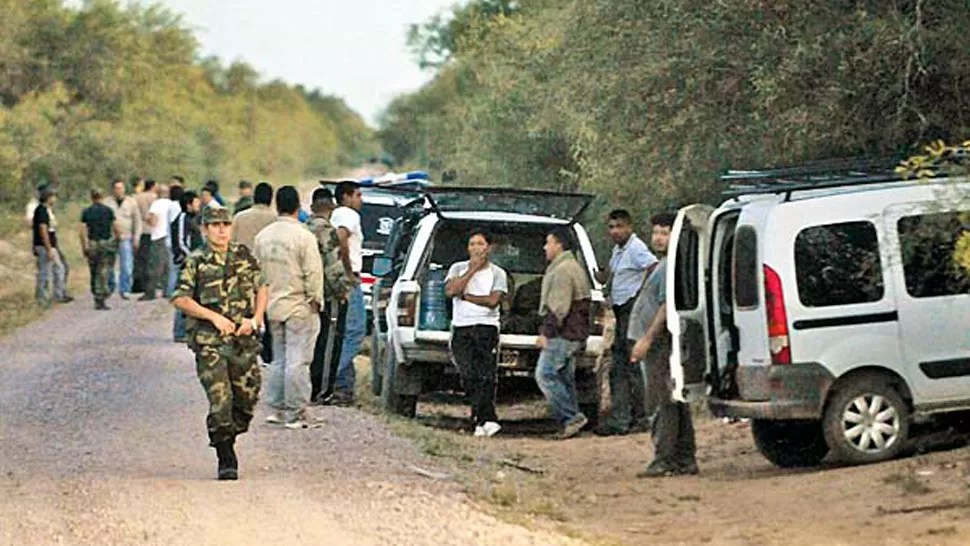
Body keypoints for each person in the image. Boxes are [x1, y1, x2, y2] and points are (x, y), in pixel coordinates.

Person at [171, 207, 268, 480]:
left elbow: (263, 286)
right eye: (215, 225)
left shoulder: (243, 255)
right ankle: (225, 454)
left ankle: (227, 433)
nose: (221, 229)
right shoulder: (197, 261)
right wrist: (213, 317)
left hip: (243, 341)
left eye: (226, 224)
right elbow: (181, 298)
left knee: (247, 401)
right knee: (220, 399)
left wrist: (256, 318)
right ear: (205, 229)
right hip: (210, 342)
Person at [629, 212, 698, 478]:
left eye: (664, 232)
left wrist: (646, 339)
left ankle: (664, 458)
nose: (657, 238)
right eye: (655, 232)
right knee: (675, 400)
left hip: (660, 344)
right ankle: (684, 457)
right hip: (662, 343)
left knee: (660, 401)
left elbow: (666, 307)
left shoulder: (670, 266)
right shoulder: (667, 263)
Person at [253, 186, 323, 429]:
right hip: (298, 305)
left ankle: (277, 409)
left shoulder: (263, 236)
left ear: (276, 205)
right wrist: (316, 299)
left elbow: (256, 273)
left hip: (272, 305)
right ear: (298, 207)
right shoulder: (304, 236)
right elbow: (313, 272)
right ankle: (296, 412)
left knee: (278, 359)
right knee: (298, 360)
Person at [597, 209, 658, 436]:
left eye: (619, 226)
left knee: (627, 365)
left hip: (631, 310)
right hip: (621, 309)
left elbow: (653, 267)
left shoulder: (636, 248)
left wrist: (641, 295)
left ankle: (633, 418)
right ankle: (631, 417)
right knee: (622, 365)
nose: (615, 231)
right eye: (611, 227)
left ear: (629, 227)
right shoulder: (619, 250)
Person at [445, 231, 509, 437]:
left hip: (486, 326)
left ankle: (483, 419)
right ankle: (485, 418)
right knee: (467, 372)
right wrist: (471, 270)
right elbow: (450, 291)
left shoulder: (498, 273)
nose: (475, 248)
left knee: (485, 375)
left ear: (488, 248)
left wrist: (468, 297)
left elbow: (493, 301)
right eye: (471, 243)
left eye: (480, 244)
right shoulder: (458, 268)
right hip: (462, 326)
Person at [535, 227, 592, 439]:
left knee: (545, 374)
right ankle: (573, 422)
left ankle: (571, 417)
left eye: (548, 242)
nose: (545, 247)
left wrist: (546, 333)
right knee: (565, 377)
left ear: (559, 244)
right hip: (575, 333)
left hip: (563, 333)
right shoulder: (572, 266)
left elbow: (558, 308)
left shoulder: (562, 270)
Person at [306, 187, 354, 405]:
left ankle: (306, 388)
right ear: (331, 208)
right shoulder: (328, 232)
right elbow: (333, 267)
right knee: (328, 343)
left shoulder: (303, 229)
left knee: (310, 343)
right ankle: (322, 391)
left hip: (305, 295)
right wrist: (342, 291)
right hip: (327, 295)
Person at [326, 181, 365, 406]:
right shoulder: (347, 214)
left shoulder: (337, 214)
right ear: (346, 197)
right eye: (358, 195)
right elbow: (341, 238)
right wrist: (348, 272)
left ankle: (343, 388)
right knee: (355, 331)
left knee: (343, 332)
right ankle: (330, 376)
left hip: (340, 278)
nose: (361, 200)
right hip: (349, 279)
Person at [79, 188, 119, 310]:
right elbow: (115, 228)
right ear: (102, 197)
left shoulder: (86, 212)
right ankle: (102, 295)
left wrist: (84, 246)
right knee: (104, 270)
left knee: (93, 269)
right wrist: (117, 242)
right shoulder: (108, 211)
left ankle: (96, 293)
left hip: (93, 243)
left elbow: (82, 231)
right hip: (105, 243)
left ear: (91, 197)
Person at [172, 190, 203, 342]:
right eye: (196, 202)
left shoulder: (194, 219)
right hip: (185, 264)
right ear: (188, 204)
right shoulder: (182, 218)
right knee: (183, 297)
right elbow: (181, 242)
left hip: (194, 263)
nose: (199, 205)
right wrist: (192, 257)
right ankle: (179, 331)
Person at [32, 186, 72, 306]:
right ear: (47, 197)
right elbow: (43, 229)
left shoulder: (48, 210)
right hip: (45, 246)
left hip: (51, 245)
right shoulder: (41, 211)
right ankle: (42, 298)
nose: (54, 199)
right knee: (45, 272)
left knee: (60, 269)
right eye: (53, 196)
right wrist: (48, 248)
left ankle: (58, 294)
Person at [105, 180, 142, 300]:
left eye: (121, 188)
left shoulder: (131, 202)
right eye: (116, 188)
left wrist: (136, 237)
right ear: (112, 190)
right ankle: (110, 286)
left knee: (126, 264)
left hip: (126, 237)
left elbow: (137, 221)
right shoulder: (107, 202)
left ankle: (125, 288)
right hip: (110, 238)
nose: (119, 191)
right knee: (109, 264)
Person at [141, 183, 172, 301]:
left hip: (158, 236)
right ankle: (167, 290)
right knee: (167, 266)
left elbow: (152, 220)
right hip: (169, 237)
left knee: (155, 266)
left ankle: (150, 291)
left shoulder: (156, 204)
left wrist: (149, 221)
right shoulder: (172, 204)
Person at [231, 182, 276, 250]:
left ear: (254, 197)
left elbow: (231, 242)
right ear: (271, 198)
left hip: (243, 259)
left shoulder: (239, 217)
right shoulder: (276, 219)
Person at [132, 179, 157, 293]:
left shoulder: (136, 197)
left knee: (139, 259)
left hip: (140, 229)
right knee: (150, 259)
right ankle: (149, 283)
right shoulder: (154, 198)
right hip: (151, 230)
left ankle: (137, 283)